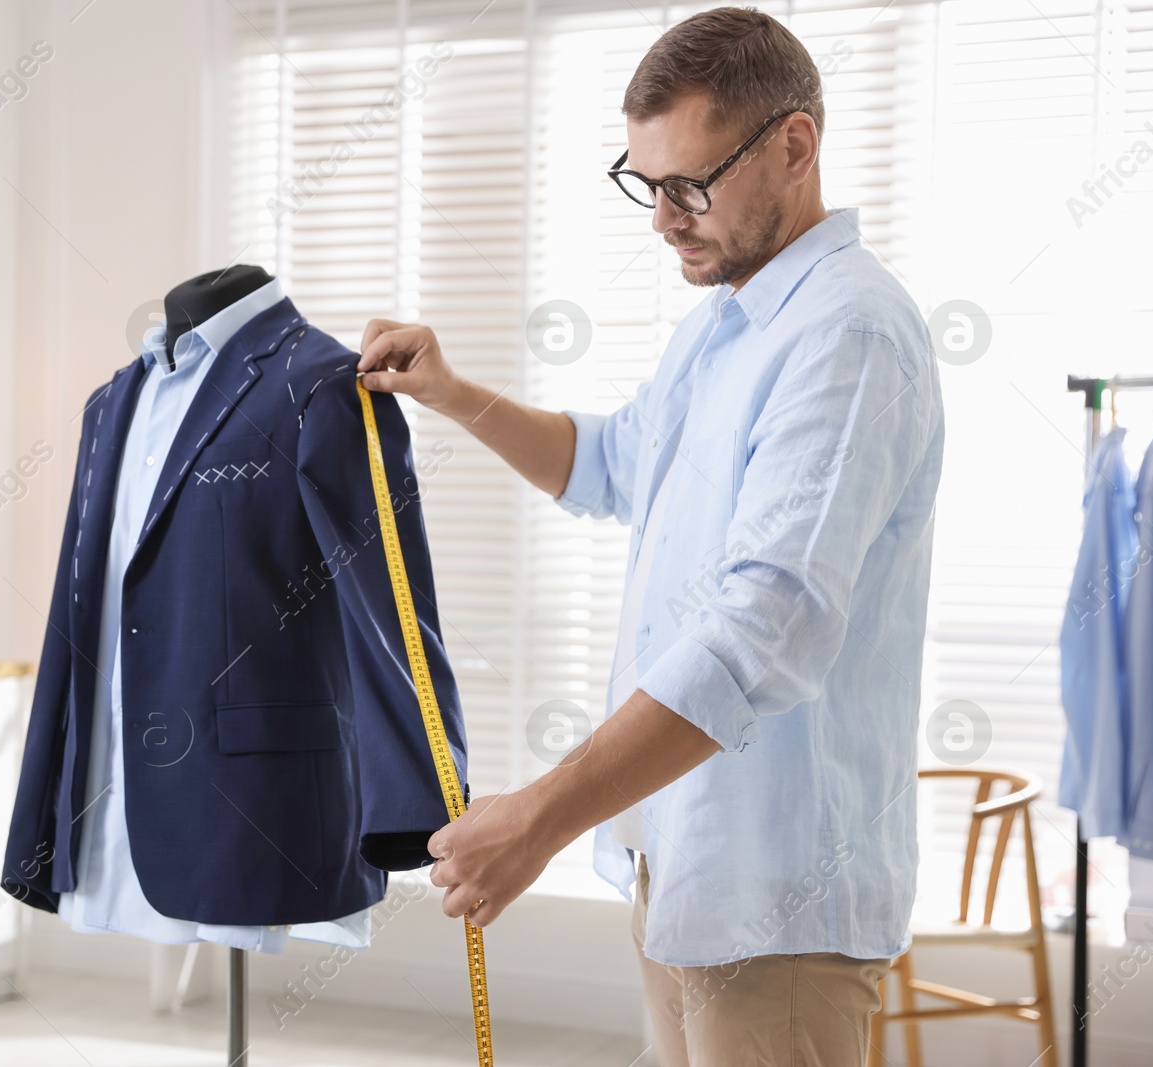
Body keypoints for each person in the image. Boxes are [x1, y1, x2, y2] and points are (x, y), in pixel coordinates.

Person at [356, 7, 944, 1065]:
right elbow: (612, 463)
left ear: (794, 146)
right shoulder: (723, 325)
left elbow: (764, 626)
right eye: (645, 184)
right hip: (678, 864)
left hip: (777, 901)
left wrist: (540, 812)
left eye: (687, 185)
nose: (663, 218)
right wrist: (448, 392)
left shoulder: (846, 337)